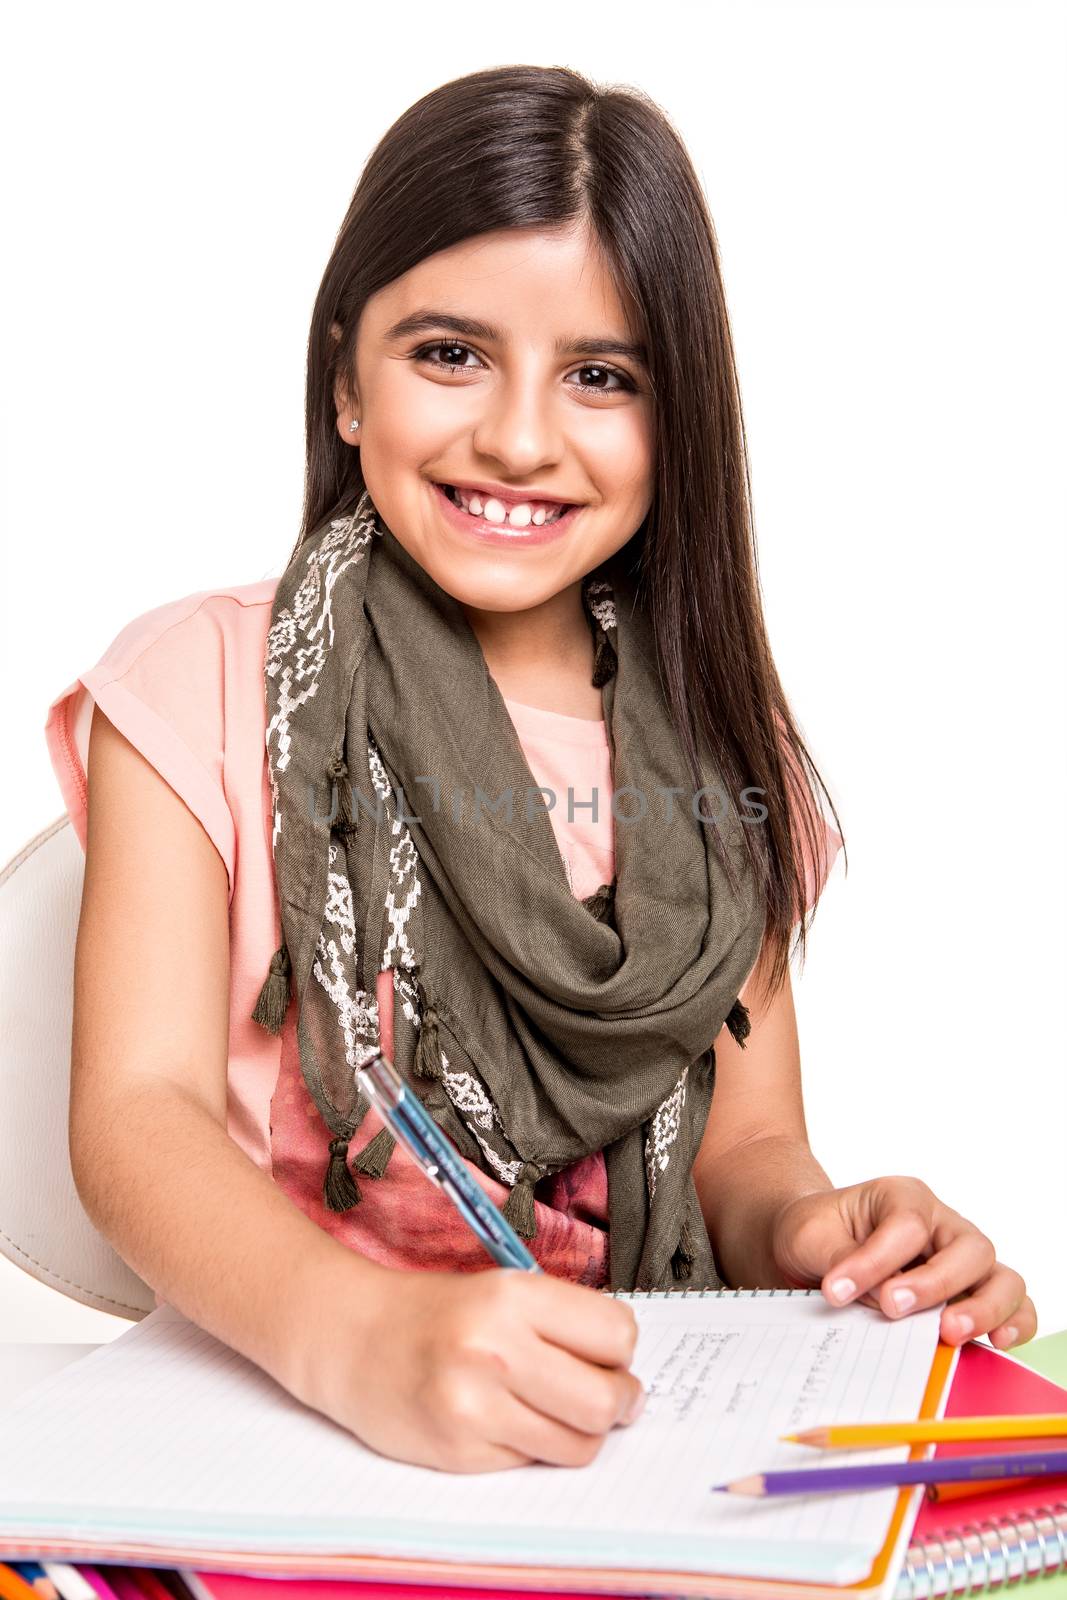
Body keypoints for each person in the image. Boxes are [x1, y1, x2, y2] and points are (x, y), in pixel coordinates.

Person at [45, 64, 1035, 1476]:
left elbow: (746, 1156)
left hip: (611, 1432)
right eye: (449, 353)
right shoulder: (198, 681)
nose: (517, 435)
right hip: (274, 1422)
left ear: (675, 418)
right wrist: (357, 1337)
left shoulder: (720, 749)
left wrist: (828, 1231)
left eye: (600, 377)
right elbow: (137, 1117)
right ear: (345, 381)